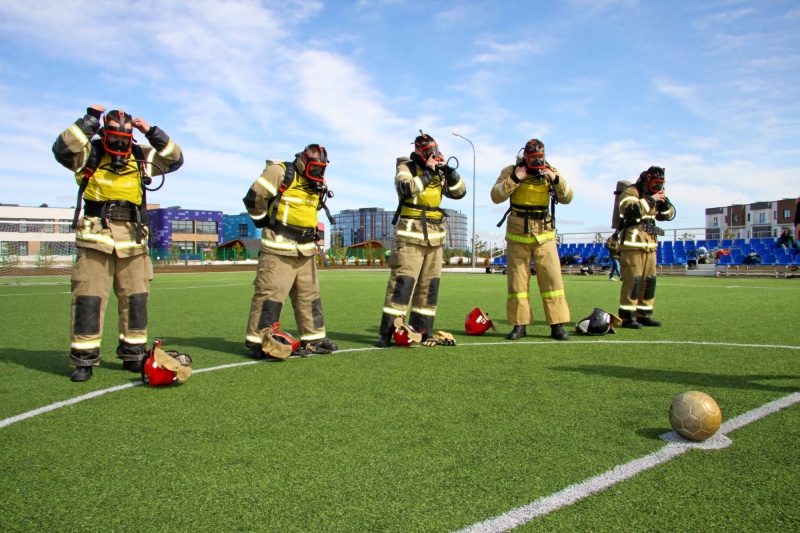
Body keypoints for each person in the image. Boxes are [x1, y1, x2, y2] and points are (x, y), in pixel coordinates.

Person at [52, 104, 184, 382]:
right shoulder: (90, 152)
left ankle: (133, 355)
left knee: (136, 300)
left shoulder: (141, 155)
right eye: (114, 135)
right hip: (96, 238)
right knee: (89, 299)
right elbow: (62, 149)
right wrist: (89, 119)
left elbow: (175, 158)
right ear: (104, 133)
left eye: (125, 137)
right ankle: (84, 360)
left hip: (133, 241)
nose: (120, 142)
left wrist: (152, 132)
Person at [243, 144, 338, 359]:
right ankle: (259, 342)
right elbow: (253, 197)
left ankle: (314, 339)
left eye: (322, 168)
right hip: (278, 248)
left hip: (305, 250)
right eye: (315, 167)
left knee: (309, 296)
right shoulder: (279, 172)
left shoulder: (317, 182)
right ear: (303, 160)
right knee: (270, 296)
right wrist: (265, 223)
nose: (318, 172)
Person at [375, 132, 467, 347]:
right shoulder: (405, 167)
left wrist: (449, 172)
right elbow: (405, 189)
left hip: (435, 238)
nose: (430, 155)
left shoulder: (439, 172)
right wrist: (427, 173)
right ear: (417, 151)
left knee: (429, 287)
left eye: (433, 150)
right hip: (411, 237)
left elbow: (460, 192)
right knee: (401, 286)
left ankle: (423, 331)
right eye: (426, 151)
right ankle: (387, 333)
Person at [490, 139, 573, 341]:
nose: (537, 161)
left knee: (552, 280)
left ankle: (557, 325)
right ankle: (520, 325)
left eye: (540, 157)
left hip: (544, 235)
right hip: (518, 234)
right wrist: (516, 178)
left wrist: (555, 179)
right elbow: (496, 195)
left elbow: (568, 197)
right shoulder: (511, 170)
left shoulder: (550, 171)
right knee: (517, 284)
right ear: (525, 156)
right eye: (533, 158)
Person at [617, 166, 675, 329]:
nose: (657, 187)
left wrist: (663, 204)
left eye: (660, 184)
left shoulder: (656, 195)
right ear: (647, 180)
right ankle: (628, 316)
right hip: (632, 244)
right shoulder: (631, 192)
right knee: (633, 281)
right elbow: (630, 210)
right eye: (655, 183)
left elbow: (668, 215)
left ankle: (644, 314)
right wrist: (651, 200)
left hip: (650, 244)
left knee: (649, 281)